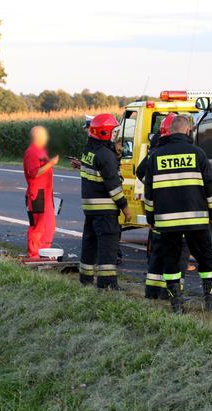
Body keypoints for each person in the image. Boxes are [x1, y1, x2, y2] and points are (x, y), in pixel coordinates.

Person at [144, 115, 212, 313]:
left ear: (169, 132)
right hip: (196, 220)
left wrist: (151, 218)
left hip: (167, 222)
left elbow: (149, 193)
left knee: (171, 261)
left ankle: (176, 304)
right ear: (188, 131)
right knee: (205, 259)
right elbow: (210, 188)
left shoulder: (156, 156)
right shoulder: (198, 153)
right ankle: (211, 302)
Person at [79, 113, 131, 289]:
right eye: (113, 131)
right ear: (104, 133)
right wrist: (125, 208)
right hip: (105, 210)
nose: (115, 134)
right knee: (108, 246)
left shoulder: (89, 150)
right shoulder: (105, 155)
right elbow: (113, 186)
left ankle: (85, 280)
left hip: (91, 209)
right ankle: (107, 285)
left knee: (90, 243)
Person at [137, 113, 176, 300]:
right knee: (175, 255)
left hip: (159, 210)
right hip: (173, 210)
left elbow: (141, 172)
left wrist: (154, 185)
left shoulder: (156, 150)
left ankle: (153, 293)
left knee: (158, 253)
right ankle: (170, 294)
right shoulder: (184, 148)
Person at [23, 126, 58, 258]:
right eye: (44, 136)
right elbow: (34, 173)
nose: (46, 138)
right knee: (38, 226)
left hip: (47, 193)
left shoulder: (41, 151)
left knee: (49, 225)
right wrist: (51, 163)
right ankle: (34, 255)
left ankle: (44, 252)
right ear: (38, 137)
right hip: (37, 194)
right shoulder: (32, 152)